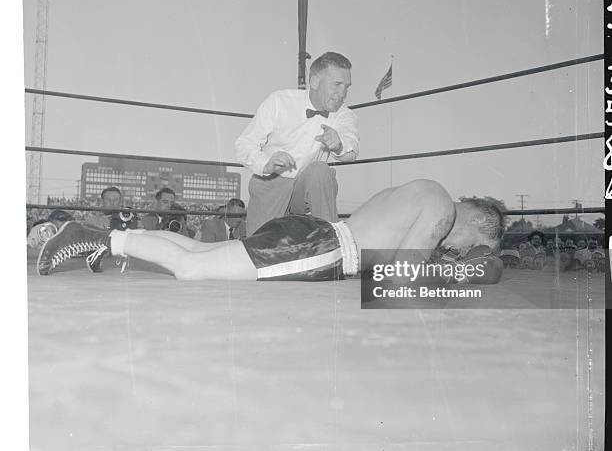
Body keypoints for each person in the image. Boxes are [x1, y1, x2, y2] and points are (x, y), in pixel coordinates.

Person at [37, 179, 504, 285]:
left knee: (200, 250)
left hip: (313, 231)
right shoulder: (441, 209)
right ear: (481, 225)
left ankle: (102, 246)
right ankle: (93, 237)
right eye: (478, 245)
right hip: (320, 248)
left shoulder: (425, 189)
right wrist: (457, 273)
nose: (467, 249)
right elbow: (398, 279)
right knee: (193, 270)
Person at [235, 51, 359, 235]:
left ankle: (330, 242)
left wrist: (339, 145)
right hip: (272, 183)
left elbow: (352, 152)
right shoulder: (279, 101)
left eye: (346, 87)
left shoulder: (344, 114)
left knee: (320, 170)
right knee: (259, 251)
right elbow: (244, 145)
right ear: (315, 82)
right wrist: (266, 164)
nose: (343, 94)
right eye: (337, 85)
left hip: (305, 190)